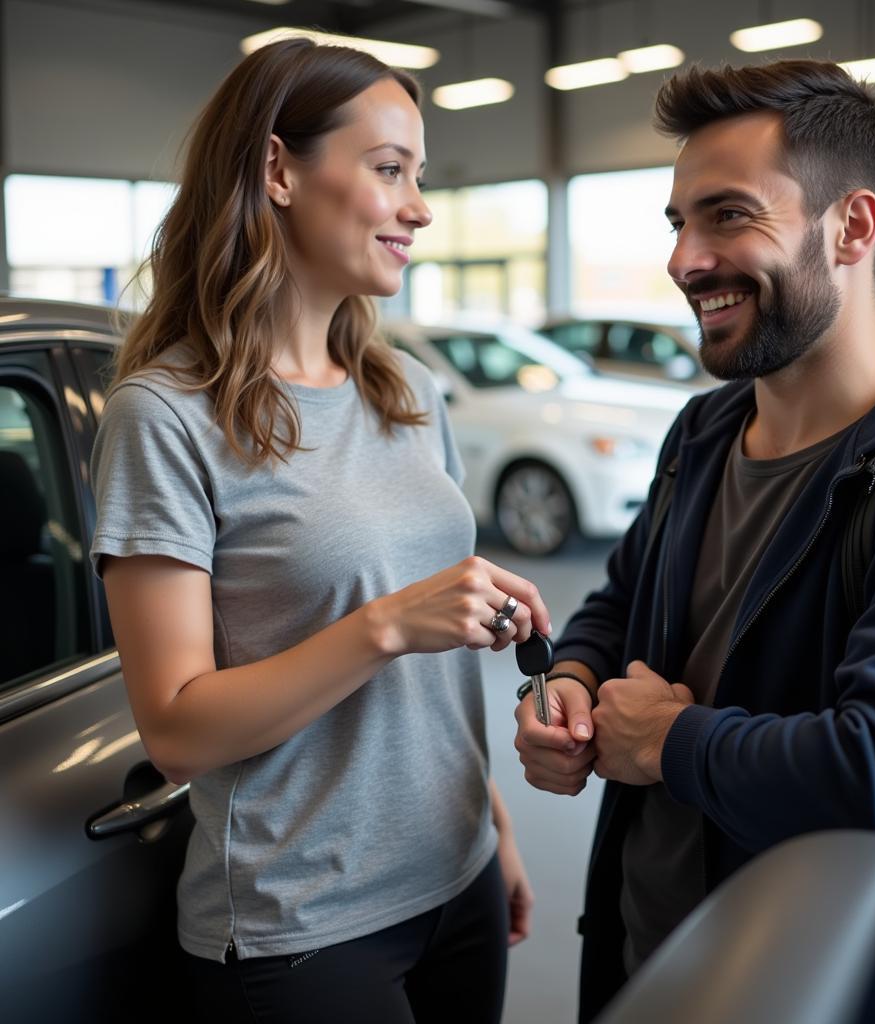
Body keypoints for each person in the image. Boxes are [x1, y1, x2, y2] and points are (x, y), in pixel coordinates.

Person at [513, 59, 875, 1022]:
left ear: (853, 229)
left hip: (816, 989)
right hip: (644, 956)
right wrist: (574, 688)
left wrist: (670, 743)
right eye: (678, 224)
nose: (684, 259)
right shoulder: (702, 434)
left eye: (729, 216)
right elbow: (622, 600)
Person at [91, 38, 547, 1024]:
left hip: (456, 871)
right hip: (303, 925)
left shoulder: (408, 390)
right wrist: (388, 621)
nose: (419, 207)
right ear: (277, 170)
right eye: (390, 170)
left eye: (417, 177)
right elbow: (174, 729)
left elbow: (432, 673)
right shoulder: (165, 416)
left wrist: (494, 826)